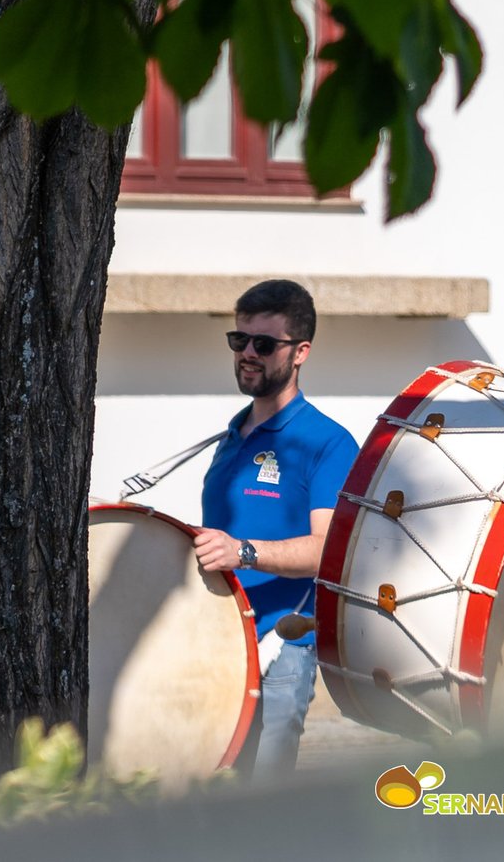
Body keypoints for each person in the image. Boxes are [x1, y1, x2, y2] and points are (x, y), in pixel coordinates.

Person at [193, 279, 358, 779]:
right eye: (238, 340)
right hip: (219, 643)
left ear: (300, 351)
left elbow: (328, 551)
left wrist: (241, 552)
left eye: (263, 344)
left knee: (262, 801)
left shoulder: (327, 442)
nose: (247, 353)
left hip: (280, 648)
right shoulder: (232, 433)